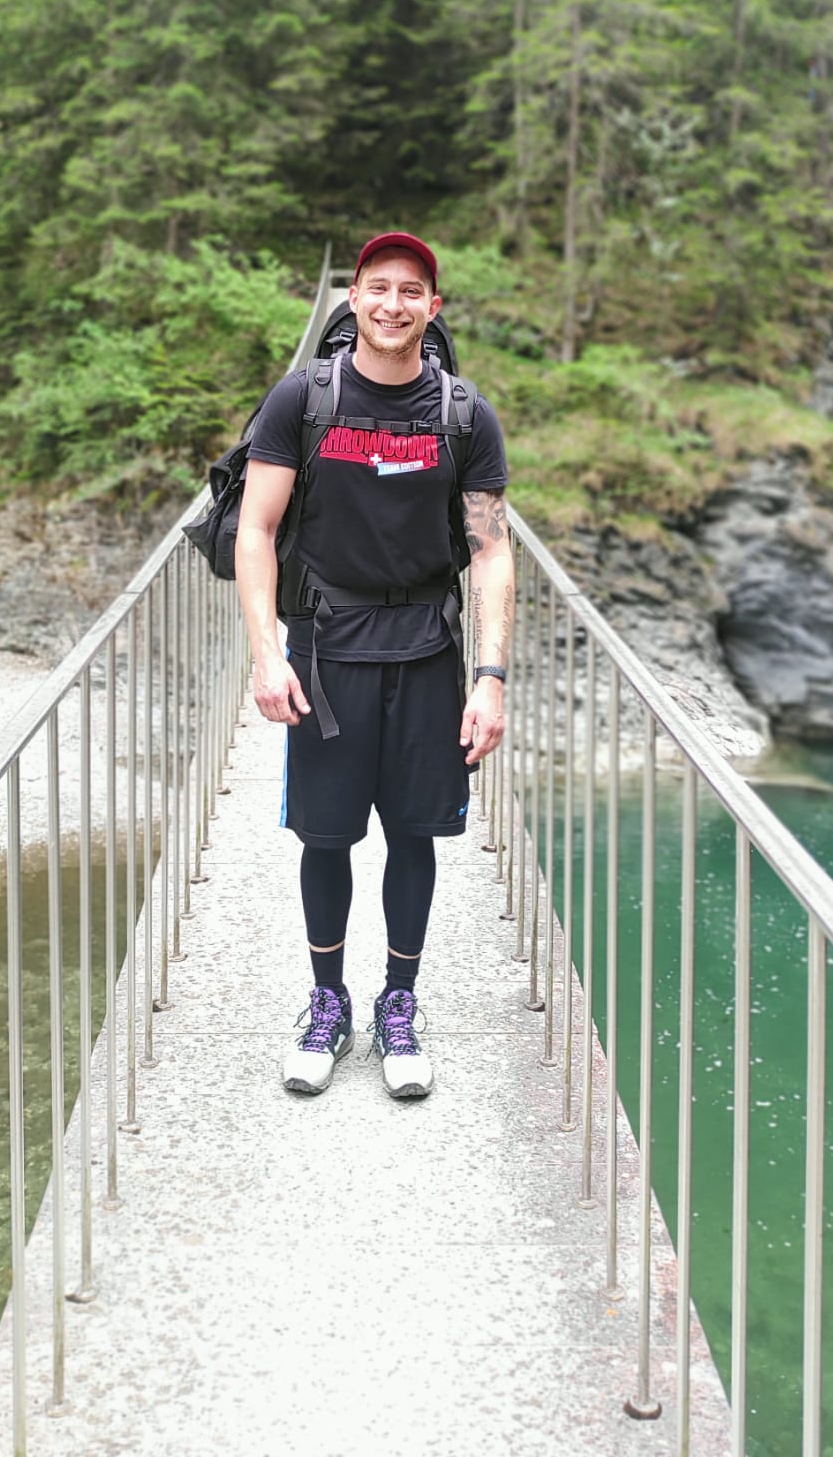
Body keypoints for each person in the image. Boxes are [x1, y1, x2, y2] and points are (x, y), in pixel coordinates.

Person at [235, 232, 514, 1100]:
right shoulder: (302, 400)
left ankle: (400, 1001)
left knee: (415, 833)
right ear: (352, 298)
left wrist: (492, 676)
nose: (394, 304)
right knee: (325, 836)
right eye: (379, 287)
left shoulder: (464, 415)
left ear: (433, 309)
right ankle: (328, 1002)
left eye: (411, 291)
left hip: (428, 652)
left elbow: (491, 549)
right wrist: (265, 655)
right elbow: (257, 530)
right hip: (326, 653)